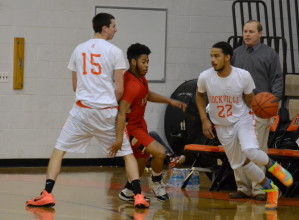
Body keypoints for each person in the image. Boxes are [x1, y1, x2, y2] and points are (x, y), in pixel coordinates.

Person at [26, 13, 149, 209]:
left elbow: (75, 86)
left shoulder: (78, 49)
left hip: (81, 112)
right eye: (114, 26)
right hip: (106, 112)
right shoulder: (115, 52)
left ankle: (47, 193)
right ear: (104, 28)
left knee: (59, 151)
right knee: (127, 154)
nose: (116, 29)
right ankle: (138, 196)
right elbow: (119, 89)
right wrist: (108, 102)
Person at [195, 41, 292, 209]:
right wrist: (204, 119)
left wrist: (264, 111)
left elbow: (250, 100)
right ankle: (270, 188)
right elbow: (199, 96)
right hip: (222, 126)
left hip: (243, 120)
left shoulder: (243, 75)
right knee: (242, 164)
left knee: (250, 151)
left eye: (216, 56)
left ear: (227, 57)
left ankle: (274, 167)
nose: (212, 59)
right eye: (211, 56)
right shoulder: (205, 77)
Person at [109, 43, 187, 203]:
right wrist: (118, 138)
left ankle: (128, 192)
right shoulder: (130, 85)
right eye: (144, 62)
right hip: (130, 128)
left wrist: (169, 101)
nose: (146, 65)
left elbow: (147, 94)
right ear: (133, 62)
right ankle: (157, 183)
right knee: (159, 152)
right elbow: (122, 111)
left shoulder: (140, 79)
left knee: (141, 160)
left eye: (148, 62)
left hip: (140, 125)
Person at [230, 20, 283, 201]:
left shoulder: (270, 54)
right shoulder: (236, 53)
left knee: (257, 148)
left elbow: (277, 79)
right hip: (239, 108)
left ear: (260, 34)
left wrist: (275, 103)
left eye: (251, 31)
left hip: (261, 107)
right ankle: (242, 187)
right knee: (238, 148)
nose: (247, 34)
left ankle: (259, 189)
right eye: (245, 31)